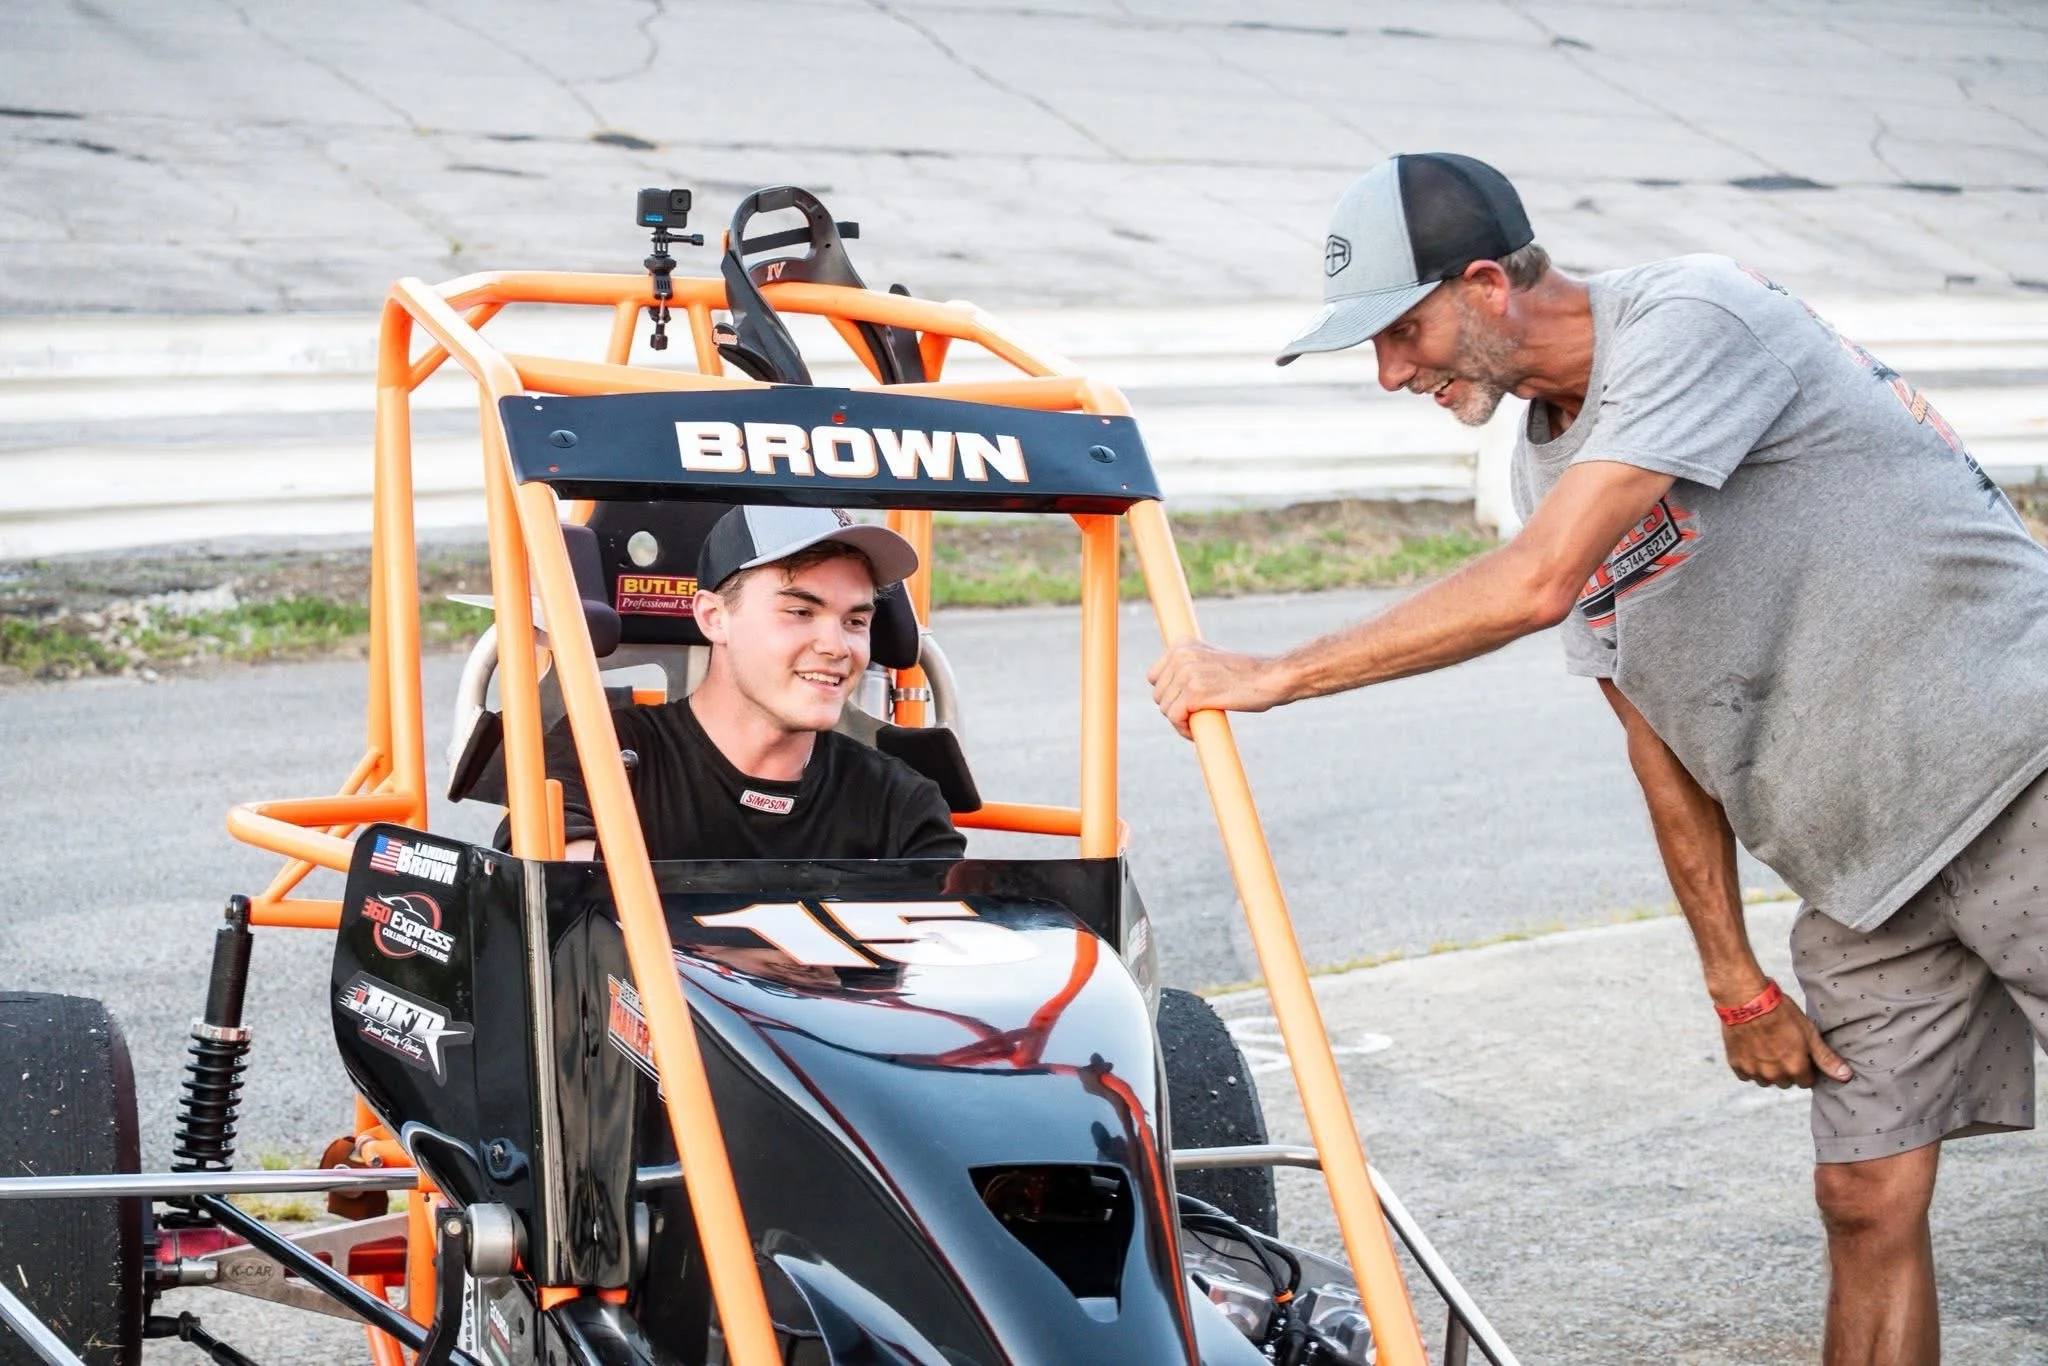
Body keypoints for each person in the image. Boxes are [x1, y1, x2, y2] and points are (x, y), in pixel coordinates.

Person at [1148, 152, 2048, 1365]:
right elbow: (1654, 730)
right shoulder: (1541, 460)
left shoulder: (1693, 317)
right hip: (1864, 876)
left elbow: (1534, 585)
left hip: (2012, 772)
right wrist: (1730, 972)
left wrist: (1273, 673)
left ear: (1484, 284)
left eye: (1400, 332)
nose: (1387, 372)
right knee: (1862, 1196)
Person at [540, 504, 964, 862]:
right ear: (714, 617)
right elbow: (566, 918)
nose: (837, 647)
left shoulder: (900, 803)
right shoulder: (603, 754)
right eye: (800, 612)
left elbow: (940, 948)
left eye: (855, 621)